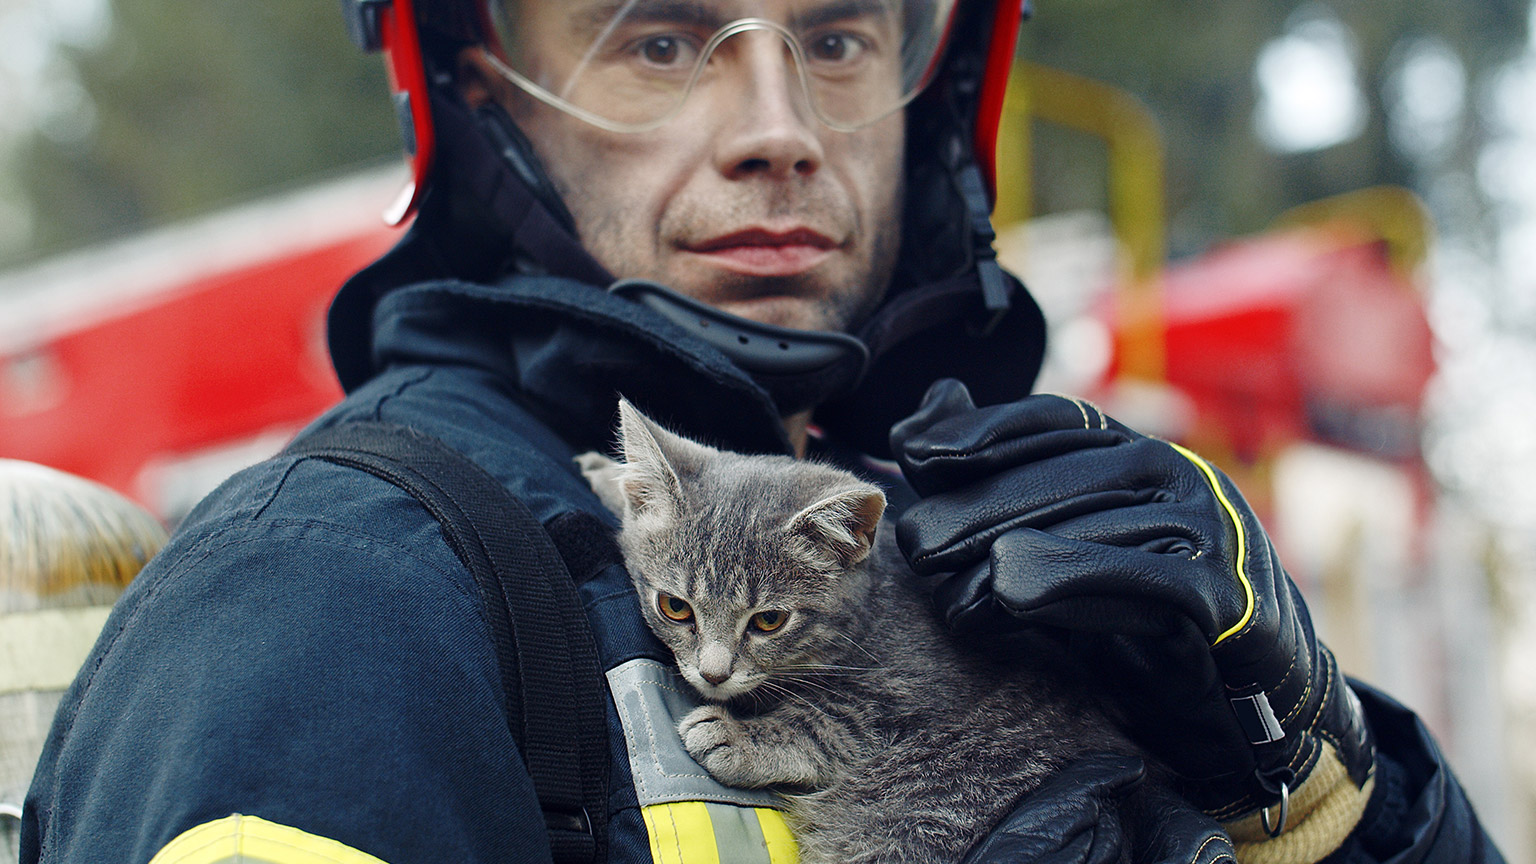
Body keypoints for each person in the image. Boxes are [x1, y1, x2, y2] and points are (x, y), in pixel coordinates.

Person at [20, 1, 1502, 862]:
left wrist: (1314, 769)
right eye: (663, 40)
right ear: (481, 99)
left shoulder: (1017, 541)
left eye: (842, 36)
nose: (779, 123)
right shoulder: (331, 608)